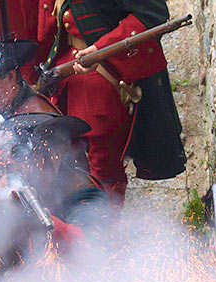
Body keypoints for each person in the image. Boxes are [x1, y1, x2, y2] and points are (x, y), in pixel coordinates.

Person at [34, 0, 186, 205]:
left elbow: (151, 13)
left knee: (102, 172)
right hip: (65, 75)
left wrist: (99, 48)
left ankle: (103, 231)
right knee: (61, 165)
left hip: (104, 76)